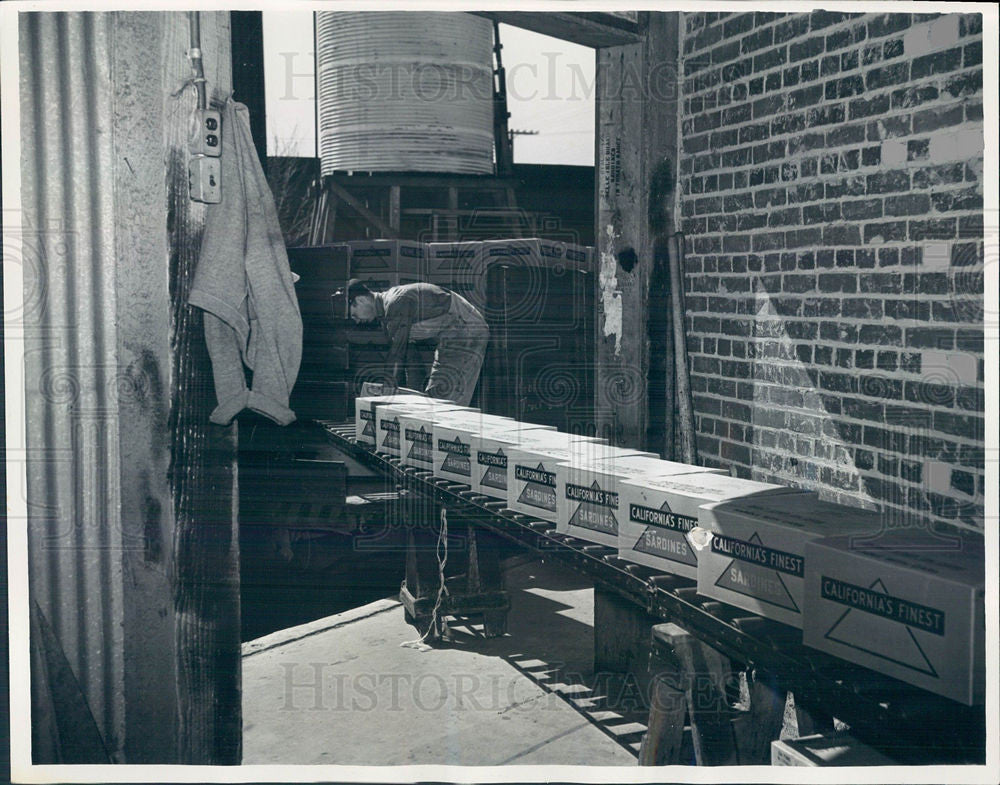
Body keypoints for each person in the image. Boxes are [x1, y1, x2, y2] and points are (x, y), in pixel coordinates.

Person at [345, 280, 490, 406]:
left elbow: (397, 356)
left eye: (354, 314)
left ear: (362, 300)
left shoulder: (396, 302)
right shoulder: (386, 317)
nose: (356, 320)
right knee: (435, 397)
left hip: (467, 330)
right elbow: (411, 359)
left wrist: (384, 398)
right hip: (451, 336)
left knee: (447, 402)